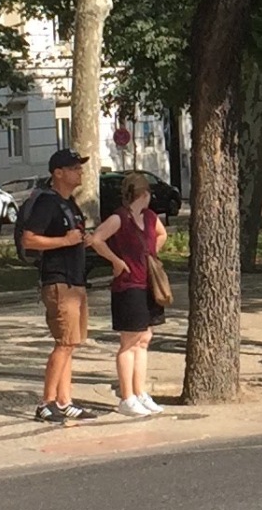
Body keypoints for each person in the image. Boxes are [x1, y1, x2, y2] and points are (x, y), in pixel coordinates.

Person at [17, 149, 95, 424]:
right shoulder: (47, 203)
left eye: (80, 167)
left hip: (75, 279)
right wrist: (65, 241)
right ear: (58, 173)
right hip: (58, 280)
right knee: (63, 343)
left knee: (71, 343)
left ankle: (65, 400)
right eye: (74, 168)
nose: (80, 172)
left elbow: (72, 236)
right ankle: (46, 402)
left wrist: (82, 240)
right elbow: (29, 240)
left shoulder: (69, 203)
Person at [88, 173, 167, 416]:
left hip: (148, 284)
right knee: (129, 341)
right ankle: (126, 396)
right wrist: (117, 261)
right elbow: (96, 239)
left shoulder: (151, 218)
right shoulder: (120, 218)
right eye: (148, 194)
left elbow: (162, 235)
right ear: (143, 195)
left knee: (144, 339)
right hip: (128, 285)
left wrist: (151, 254)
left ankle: (140, 392)